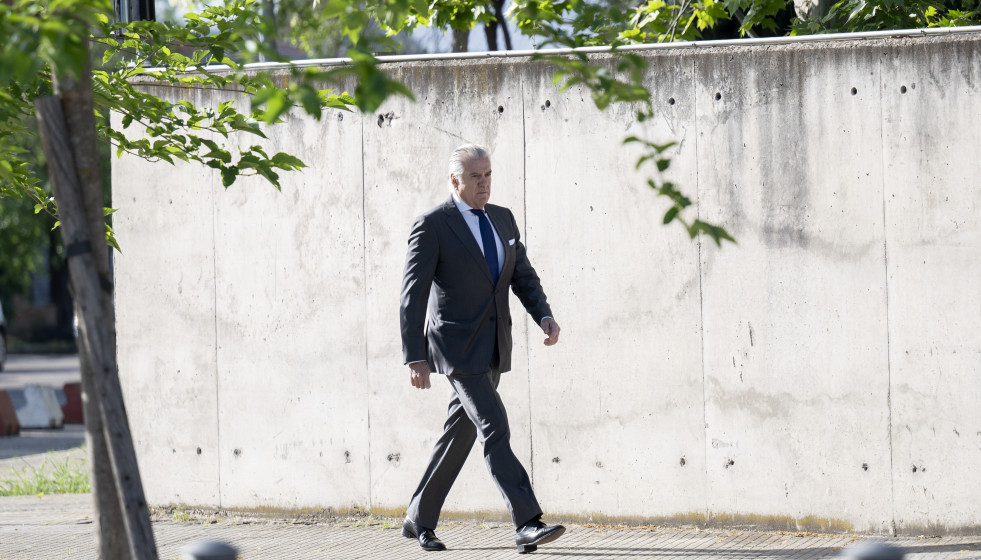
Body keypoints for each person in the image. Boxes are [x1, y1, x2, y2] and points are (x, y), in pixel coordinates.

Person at [399, 144, 565, 554]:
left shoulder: (502, 218)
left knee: (460, 433)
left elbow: (522, 275)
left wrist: (542, 314)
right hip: (455, 349)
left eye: (488, 174)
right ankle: (527, 521)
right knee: (494, 425)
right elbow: (412, 295)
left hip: (493, 345)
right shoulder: (433, 225)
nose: (484, 183)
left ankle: (418, 518)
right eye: (475, 176)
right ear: (454, 181)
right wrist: (415, 356)